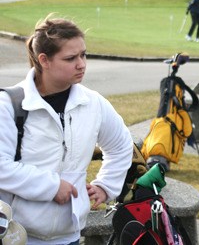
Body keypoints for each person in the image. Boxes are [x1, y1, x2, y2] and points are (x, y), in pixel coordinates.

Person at [0, 14, 133, 244]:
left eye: (83, 54)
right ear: (44, 60)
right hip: (15, 235)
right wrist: (51, 187)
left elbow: (121, 146)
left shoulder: (94, 103)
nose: (81, 64)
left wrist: (106, 186)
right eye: (70, 58)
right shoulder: (9, 104)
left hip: (69, 236)